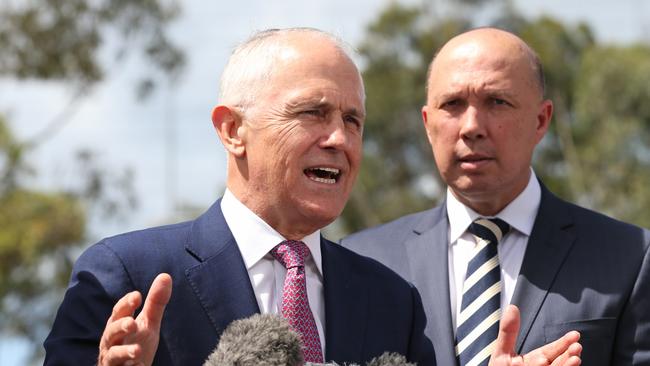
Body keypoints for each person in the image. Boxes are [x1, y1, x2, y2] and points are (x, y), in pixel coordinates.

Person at [44, 28, 580, 366]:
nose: (340, 140)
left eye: (353, 121)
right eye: (312, 113)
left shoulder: (390, 299)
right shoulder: (127, 276)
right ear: (232, 129)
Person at [342, 27, 650, 366]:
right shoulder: (360, 260)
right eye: (453, 104)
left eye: (497, 102)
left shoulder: (629, 258)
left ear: (541, 120)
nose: (471, 126)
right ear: (428, 125)